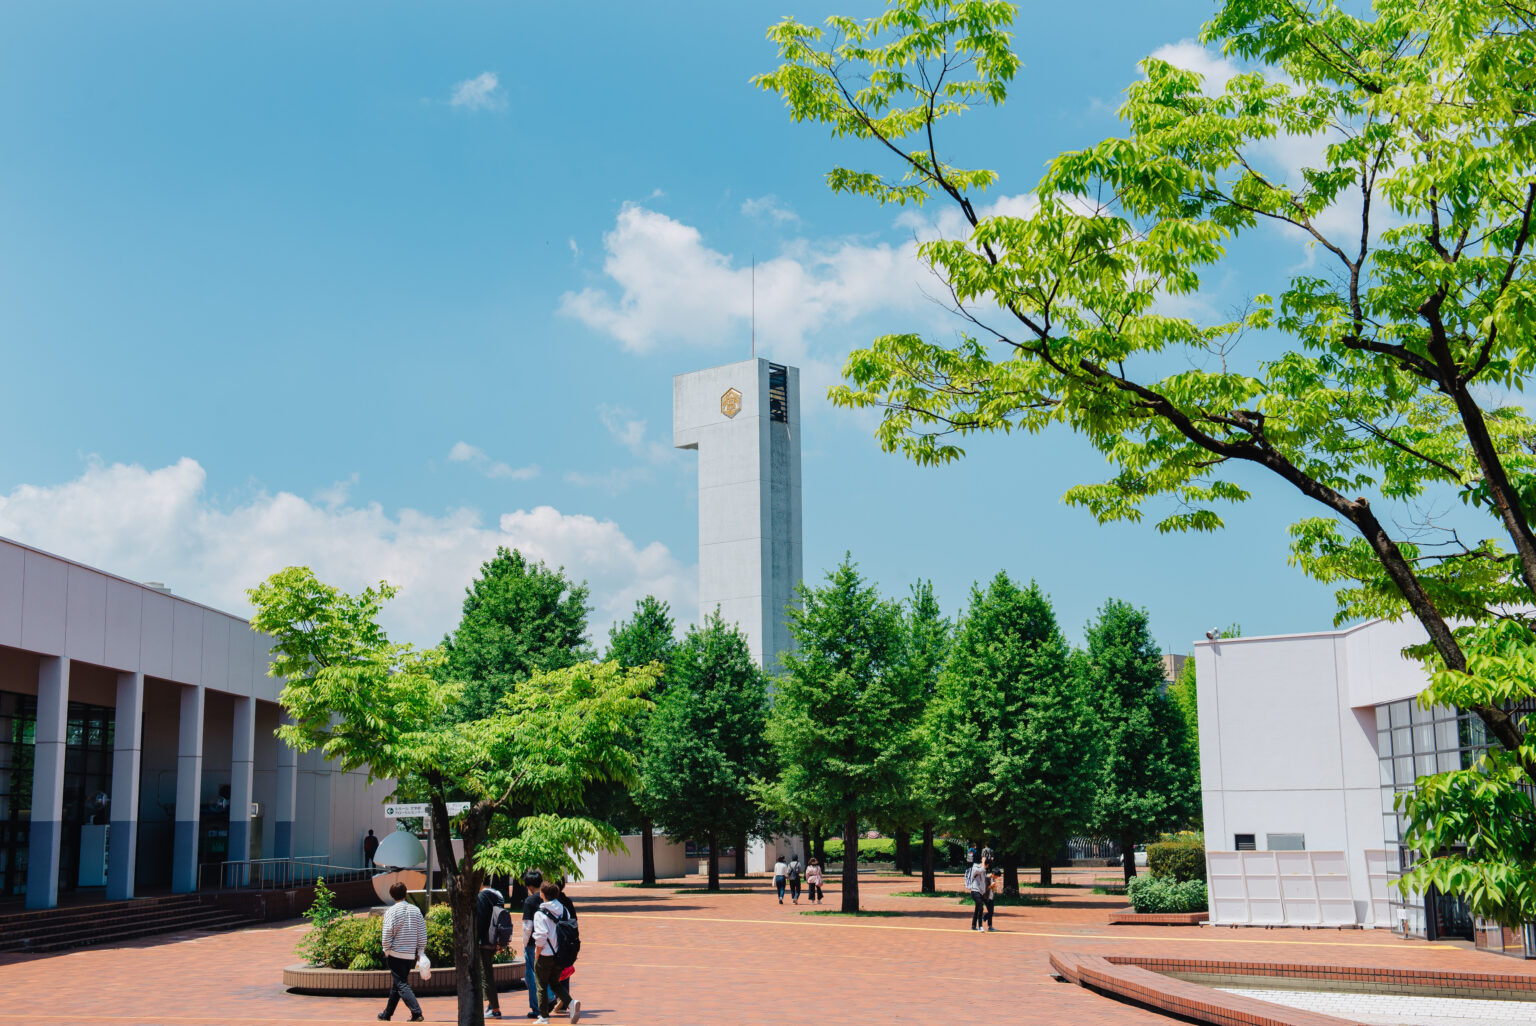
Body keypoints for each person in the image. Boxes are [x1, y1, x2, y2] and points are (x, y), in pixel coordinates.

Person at [531, 881, 581, 1024]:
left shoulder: (540, 913)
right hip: (560, 954)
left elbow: (541, 936)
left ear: (542, 894)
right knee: (555, 983)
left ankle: (544, 1016)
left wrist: (537, 953)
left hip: (545, 954)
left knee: (541, 985)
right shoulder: (564, 910)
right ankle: (571, 1002)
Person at [378, 881, 425, 1022]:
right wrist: (420, 951)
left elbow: (387, 932)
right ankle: (387, 1014)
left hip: (395, 953)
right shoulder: (416, 910)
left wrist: (386, 949)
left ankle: (416, 1012)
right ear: (405, 893)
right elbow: (422, 932)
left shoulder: (391, 911)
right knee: (398, 984)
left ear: (392, 895)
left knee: (401, 984)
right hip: (410, 954)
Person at [521, 869, 557, 1019]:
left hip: (533, 943)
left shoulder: (529, 901)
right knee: (545, 974)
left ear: (529, 886)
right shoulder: (548, 898)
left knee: (532, 976)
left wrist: (524, 943)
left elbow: (527, 926)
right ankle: (550, 996)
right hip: (550, 942)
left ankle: (537, 1007)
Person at [476, 880, 507, 1019]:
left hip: (485, 942)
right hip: (494, 939)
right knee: (487, 974)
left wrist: (477, 939)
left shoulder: (482, 896)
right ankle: (491, 1006)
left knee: (486, 975)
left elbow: (480, 921)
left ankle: (495, 1009)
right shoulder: (498, 895)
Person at [964, 856, 987, 931]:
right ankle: (980, 926)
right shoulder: (975, 867)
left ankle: (973, 926)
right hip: (974, 891)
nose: (986, 867)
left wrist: (984, 892)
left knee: (977, 909)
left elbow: (983, 882)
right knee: (981, 907)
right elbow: (981, 869)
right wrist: (983, 861)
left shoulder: (981, 869)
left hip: (980, 892)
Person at [983, 859, 1000, 932]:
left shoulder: (993, 879)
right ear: (993, 874)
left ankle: (990, 926)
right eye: (996, 876)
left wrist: (994, 888)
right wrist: (991, 886)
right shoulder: (987, 878)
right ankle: (983, 918)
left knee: (991, 912)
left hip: (991, 897)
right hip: (986, 897)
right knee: (990, 912)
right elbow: (984, 889)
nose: (996, 878)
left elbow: (992, 889)